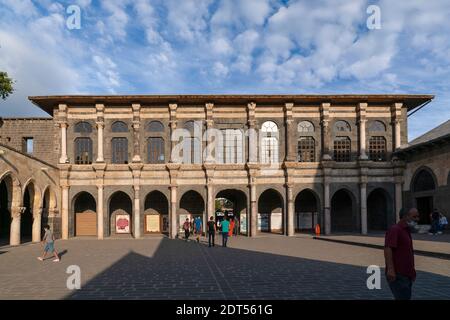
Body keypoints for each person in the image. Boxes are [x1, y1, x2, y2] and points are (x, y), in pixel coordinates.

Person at [384, 207, 419, 300]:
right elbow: (388, 248)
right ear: (405, 216)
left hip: (406, 274)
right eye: (414, 217)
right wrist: (390, 269)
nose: (417, 219)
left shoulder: (406, 230)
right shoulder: (395, 229)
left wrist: (412, 272)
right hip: (399, 274)